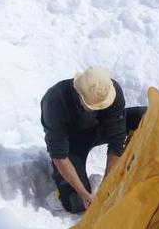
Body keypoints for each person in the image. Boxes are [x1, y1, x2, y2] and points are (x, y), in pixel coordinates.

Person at [40, 66, 145, 213]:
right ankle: (68, 187)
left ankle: (139, 166)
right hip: (71, 145)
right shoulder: (54, 102)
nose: (100, 108)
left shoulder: (110, 91)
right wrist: (84, 193)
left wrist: (107, 185)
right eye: (94, 106)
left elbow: (116, 141)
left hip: (99, 129)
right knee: (75, 202)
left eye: (103, 105)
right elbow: (59, 155)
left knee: (148, 116)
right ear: (79, 95)